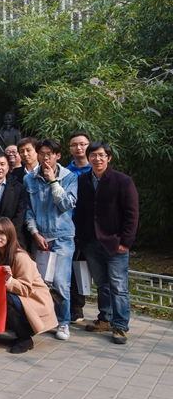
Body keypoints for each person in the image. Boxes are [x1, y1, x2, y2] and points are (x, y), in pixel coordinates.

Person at [75, 142, 138, 344]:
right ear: (88, 158)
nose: (97, 159)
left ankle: (120, 325)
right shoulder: (83, 180)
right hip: (91, 242)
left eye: (102, 155)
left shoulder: (122, 180)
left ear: (109, 158)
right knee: (102, 284)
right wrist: (82, 240)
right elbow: (81, 211)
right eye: (93, 155)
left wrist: (125, 241)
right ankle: (105, 318)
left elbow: (132, 214)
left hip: (114, 242)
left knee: (118, 286)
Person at [24, 138, 78, 341]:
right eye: (42, 154)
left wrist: (53, 180)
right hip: (39, 238)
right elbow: (28, 209)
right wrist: (34, 233)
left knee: (60, 283)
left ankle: (63, 322)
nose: (45, 158)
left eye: (50, 154)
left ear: (58, 155)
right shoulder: (29, 178)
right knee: (39, 282)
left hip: (62, 237)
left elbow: (66, 205)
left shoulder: (70, 177)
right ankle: (44, 319)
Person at [0, 217, 57, 354]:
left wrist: (9, 280)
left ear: (10, 235)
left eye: (2, 233)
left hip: (35, 299)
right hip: (20, 299)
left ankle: (24, 338)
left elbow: (25, 289)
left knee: (3, 298)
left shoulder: (21, 256)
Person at [66, 131, 91, 324]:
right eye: (74, 144)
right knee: (73, 268)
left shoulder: (98, 169)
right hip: (70, 227)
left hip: (93, 228)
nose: (79, 148)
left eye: (83, 144)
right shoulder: (65, 172)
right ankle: (75, 308)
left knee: (94, 269)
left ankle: (106, 315)